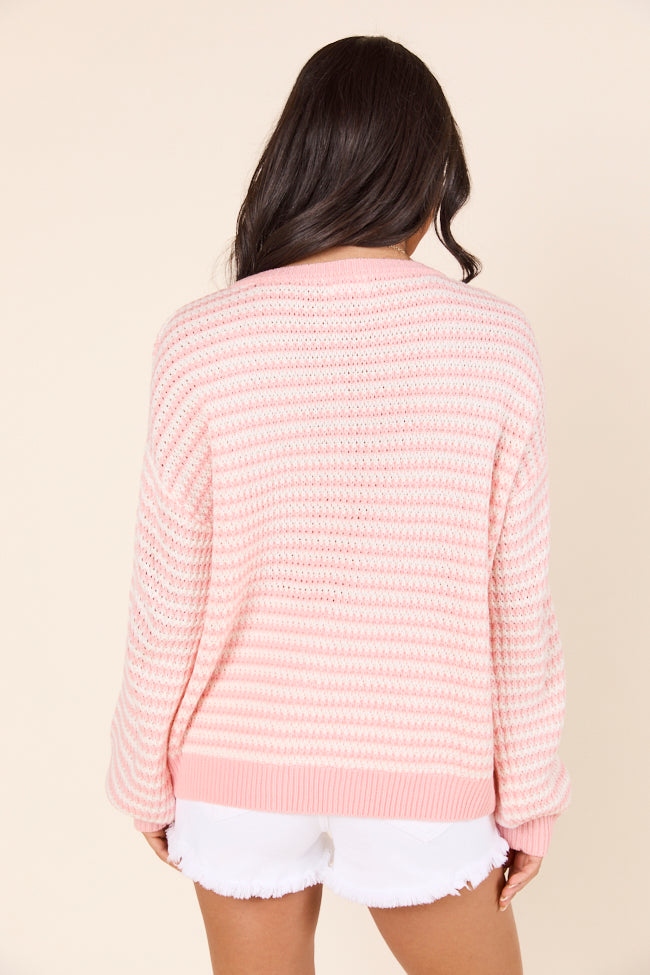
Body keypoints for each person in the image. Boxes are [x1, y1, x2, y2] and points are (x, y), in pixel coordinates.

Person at [105, 34, 571, 975]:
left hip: (236, 767)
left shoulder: (200, 340)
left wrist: (141, 771)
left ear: (299, 165)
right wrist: (530, 796)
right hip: (423, 768)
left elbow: (168, 595)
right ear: (430, 179)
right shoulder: (496, 343)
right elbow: (517, 603)